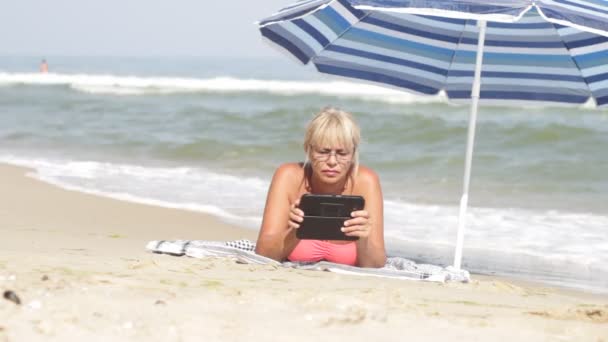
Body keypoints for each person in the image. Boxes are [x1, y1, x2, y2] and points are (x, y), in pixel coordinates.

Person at [255, 107, 386, 268]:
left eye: (342, 153)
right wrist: (295, 231)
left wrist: (363, 240)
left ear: (353, 154)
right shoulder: (289, 177)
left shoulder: (366, 181)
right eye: (323, 152)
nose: (332, 161)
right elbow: (263, 255)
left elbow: (376, 265)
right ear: (308, 150)